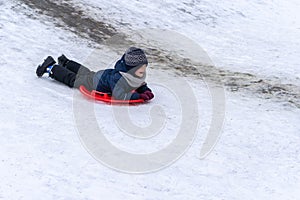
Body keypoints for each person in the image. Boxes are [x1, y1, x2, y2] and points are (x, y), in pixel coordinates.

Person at [36, 47, 154, 101]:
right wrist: (138, 96)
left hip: (101, 76)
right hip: (95, 84)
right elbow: (119, 95)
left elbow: (140, 84)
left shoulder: (136, 75)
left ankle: (66, 62)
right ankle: (50, 67)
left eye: (144, 66)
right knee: (74, 79)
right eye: (140, 67)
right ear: (130, 68)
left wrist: (146, 90)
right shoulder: (119, 78)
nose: (143, 69)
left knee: (85, 72)